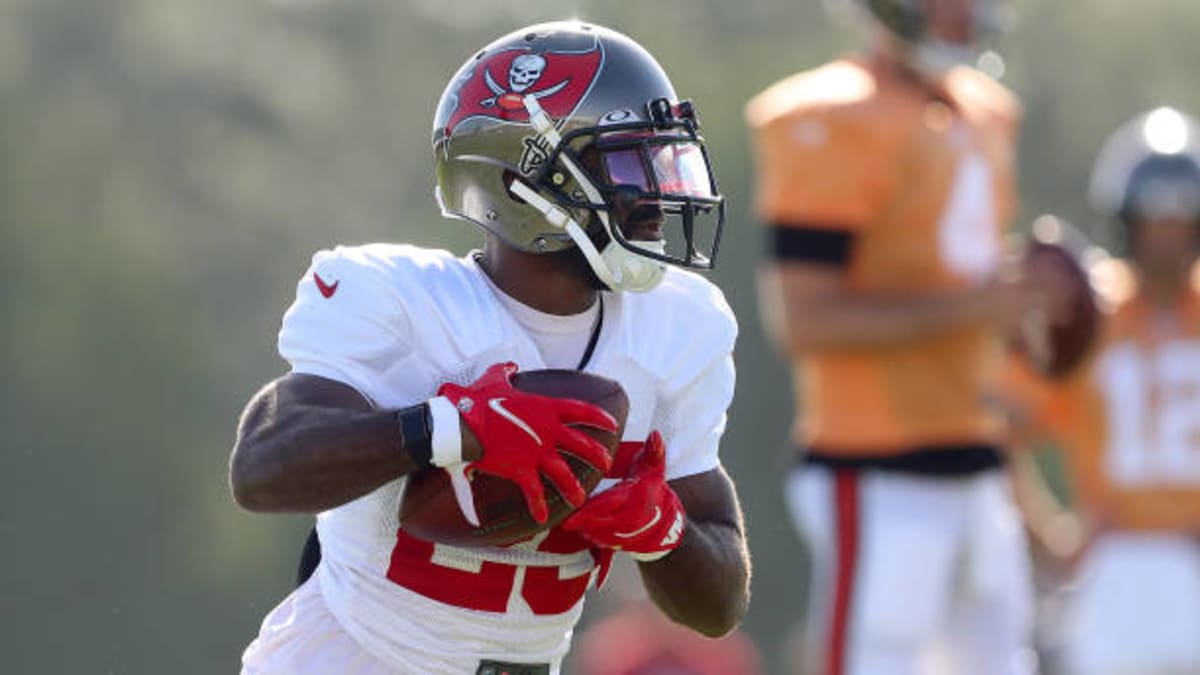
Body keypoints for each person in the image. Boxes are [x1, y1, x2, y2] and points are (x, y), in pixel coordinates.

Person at [229, 20, 750, 675]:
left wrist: (663, 530)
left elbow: (720, 603)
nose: (656, 197)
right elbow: (261, 467)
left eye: (660, 161)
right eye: (626, 164)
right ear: (518, 183)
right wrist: (445, 428)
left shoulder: (675, 326)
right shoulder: (404, 305)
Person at [744, 1, 1035, 673]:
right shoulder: (831, 114)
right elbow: (805, 318)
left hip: (979, 457)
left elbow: (969, 275)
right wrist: (977, 305)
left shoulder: (988, 110)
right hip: (875, 465)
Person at [1008, 107, 1200, 675]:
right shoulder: (1090, 315)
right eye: (1154, 220)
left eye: (1181, 220)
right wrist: (1048, 537)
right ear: (1127, 221)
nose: (1167, 237)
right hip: (1112, 563)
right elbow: (999, 428)